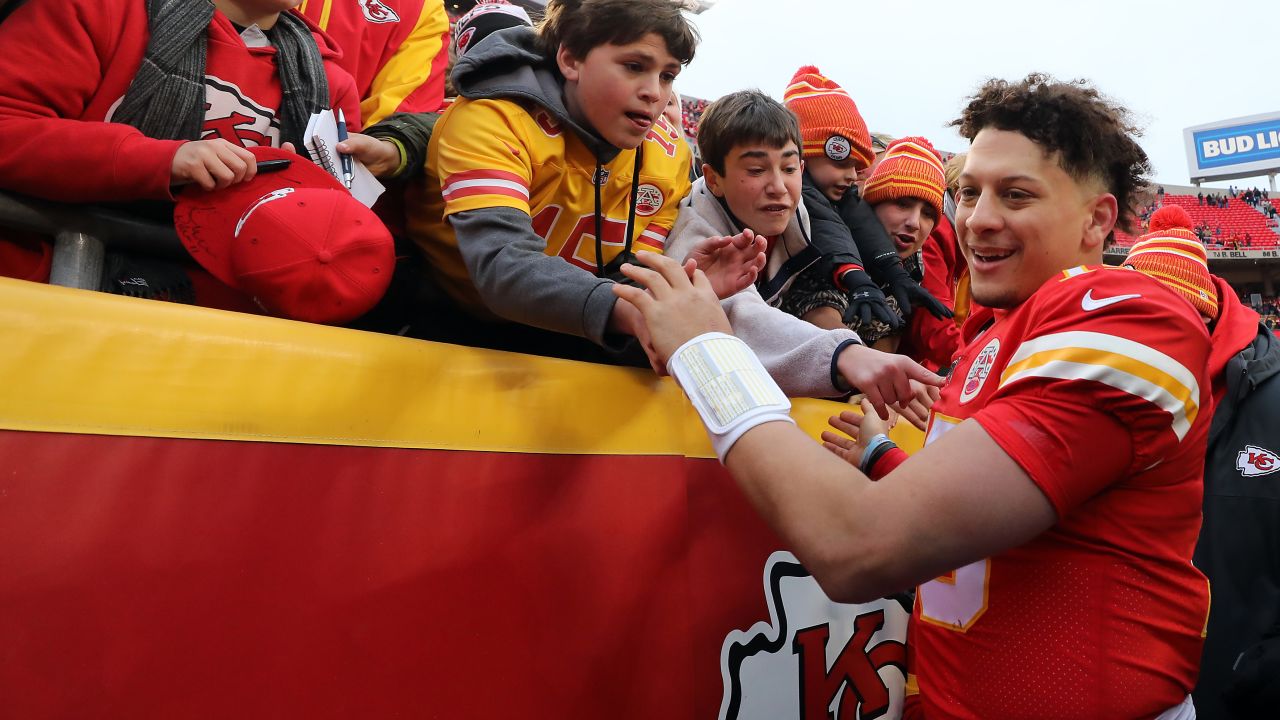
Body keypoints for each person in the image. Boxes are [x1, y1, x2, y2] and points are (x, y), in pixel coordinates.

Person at [613, 73, 1212, 719]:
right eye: (969, 193)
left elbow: (859, 547)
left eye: (1015, 195)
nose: (978, 220)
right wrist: (883, 461)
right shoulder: (1001, 333)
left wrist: (709, 354)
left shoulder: (1123, 317)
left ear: (1097, 218)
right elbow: (992, 526)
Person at [405, 0, 757, 364]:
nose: (655, 92)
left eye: (667, 75)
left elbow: (629, 276)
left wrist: (674, 287)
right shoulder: (491, 120)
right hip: (445, 319)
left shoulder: (670, 156)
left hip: (563, 328)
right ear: (570, 60)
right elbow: (503, 268)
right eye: (634, 66)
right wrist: (636, 311)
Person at [0, 0, 360, 300]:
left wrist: (299, 204)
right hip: (37, 286)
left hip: (224, 329)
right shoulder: (99, 9)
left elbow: (340, 252)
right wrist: (161, 160)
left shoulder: (331, 85)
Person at [663, 89, 940, 404]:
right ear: (713, 179)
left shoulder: (802, 217)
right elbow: (739, 316)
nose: (779, 187)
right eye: (756, 170)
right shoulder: (693, 234)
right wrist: (847, 356)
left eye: (789, 168)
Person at [1124, 206, 1280, 720]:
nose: (1143, 342)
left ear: (1203, 318)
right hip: (1124, 683)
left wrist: (1263, 665)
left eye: (1161, 322)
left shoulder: (1272, 400)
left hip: (1238, 690)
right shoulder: (1092, 398)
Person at [777, 66, 948, 336]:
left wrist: (894, 273)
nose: (915, 222)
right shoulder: (798, 193)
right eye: (902, 203)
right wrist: (856, 277)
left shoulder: (911, 264)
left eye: (928, 213)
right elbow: (826, 225)